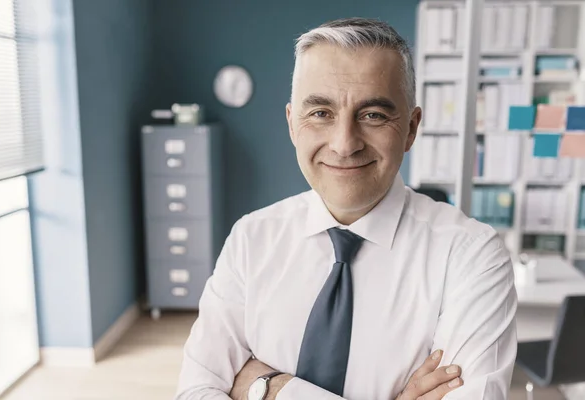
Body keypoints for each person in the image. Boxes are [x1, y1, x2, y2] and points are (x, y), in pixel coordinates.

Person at [175, 17, 517, 400]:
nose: (344, 143)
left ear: (410, 128)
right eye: (321, 113)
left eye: (373, 115)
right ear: (292, 125)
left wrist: (269, 387)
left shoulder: (472, 255)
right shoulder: (251, 238)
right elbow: (195, 391)